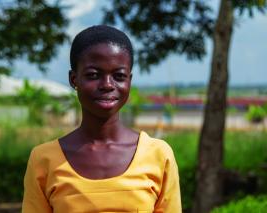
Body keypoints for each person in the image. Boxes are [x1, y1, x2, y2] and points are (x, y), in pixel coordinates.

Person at [22, 25, 181, 213]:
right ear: (74, 80)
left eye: (119, 76)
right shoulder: (44, 160)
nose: (107, 85)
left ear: (129, 80)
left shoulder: (159, 155)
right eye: (93, 75)